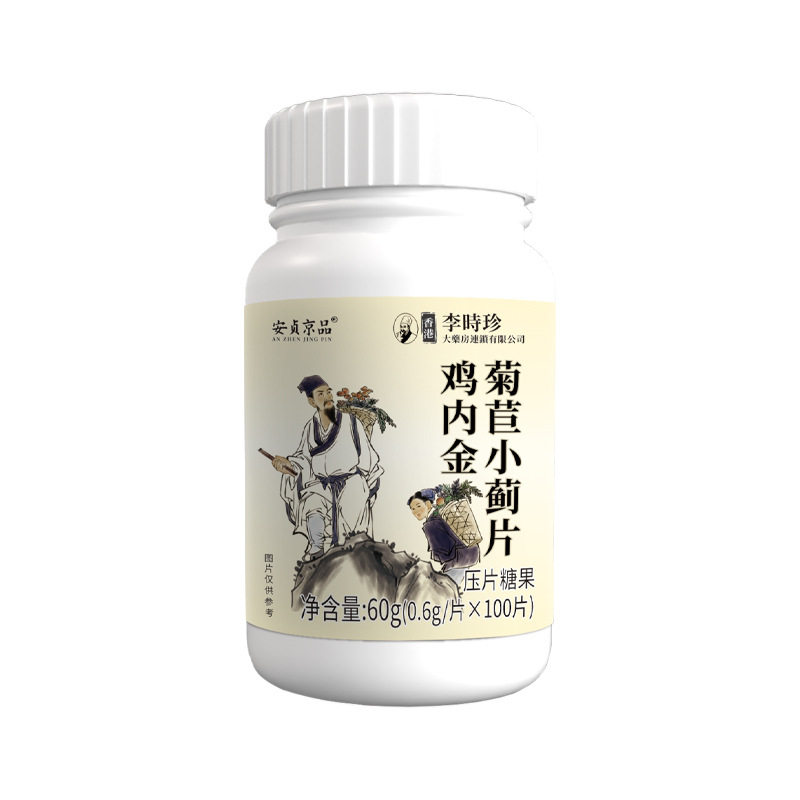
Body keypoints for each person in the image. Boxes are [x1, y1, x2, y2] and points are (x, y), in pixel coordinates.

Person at [272, 375, 383, 560]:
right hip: (322, 484)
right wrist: (288, 464)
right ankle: (317, 548)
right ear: (311, 401)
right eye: (321, 394)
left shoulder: (351, 421)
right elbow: (304, 458)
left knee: (351, 518)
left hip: (351, 481)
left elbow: (367, 455)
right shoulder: (310, 427)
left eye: (329, 392)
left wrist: (365, 480)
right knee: (311, 501)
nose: (328, 397)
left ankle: (352, 556)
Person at [407, 489, 480, 589]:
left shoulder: (430, 524)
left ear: (428, 504)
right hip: (471, 555)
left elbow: (442, 553)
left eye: (418, 506)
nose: (416, 511)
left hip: (458, 562)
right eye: (412, 509)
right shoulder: (442, 513)